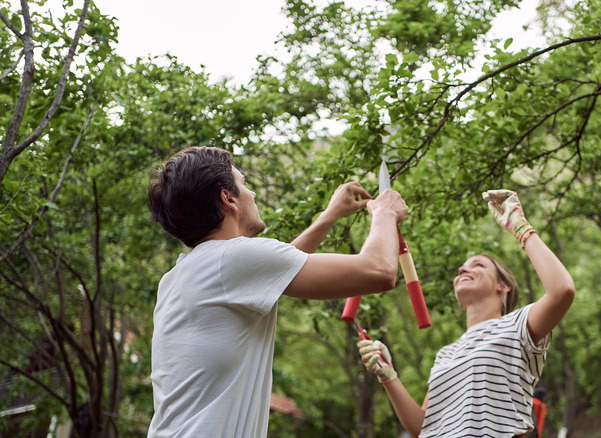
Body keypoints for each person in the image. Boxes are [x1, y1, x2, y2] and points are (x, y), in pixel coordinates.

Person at [145, 146, 408, 438]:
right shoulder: (231, 259)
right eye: (245, 185)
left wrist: (328, 216)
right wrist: (385, 212)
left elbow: (278, 271)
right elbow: (379, 271)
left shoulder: (182, 274)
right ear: (228, 198)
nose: (252, 194)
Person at [358, 189, 575, 438]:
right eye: (462, 267)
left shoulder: (518, 326)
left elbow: (562, 291)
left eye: (478, 265)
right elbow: (422, 428)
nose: (463, 269)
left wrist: (520, 227)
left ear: (502, 286)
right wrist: (389, 376)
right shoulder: (446, 354)